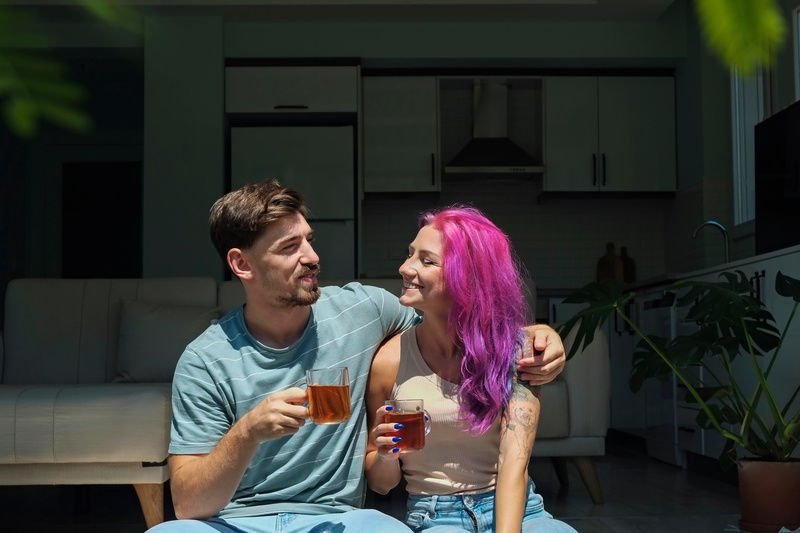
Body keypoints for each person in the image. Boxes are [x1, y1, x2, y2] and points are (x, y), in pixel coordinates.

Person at [148, 181, 566, 533]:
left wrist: (538, 336)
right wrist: (248, 432)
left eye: (309, 240)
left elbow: (456, 321)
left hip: (339, 520)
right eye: (290, 247)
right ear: (242, 264)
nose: (312, 257)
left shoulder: (364, 310)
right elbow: (188, 505)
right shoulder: (205, 360)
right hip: (235, 523)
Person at [366, 205, 578, 533]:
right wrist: (384, 455)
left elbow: (514, 465)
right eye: (410, 254)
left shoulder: (517, 353)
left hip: (520, 510)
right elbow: (382, 485)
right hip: (437, 516)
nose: (405, 268)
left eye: (427, 261)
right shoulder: (389, 361)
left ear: (466, 278)